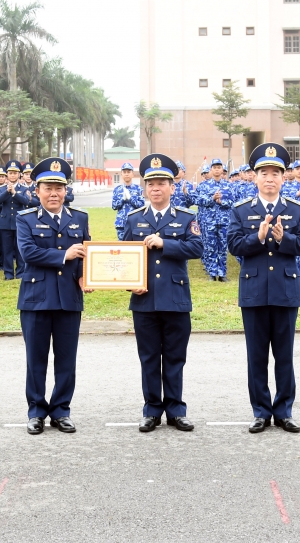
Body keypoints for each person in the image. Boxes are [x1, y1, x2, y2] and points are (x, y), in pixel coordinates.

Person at [226, 143, 300, 434]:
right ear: (255, 177)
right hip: (254, 293)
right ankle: (261, 411)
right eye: (264, 173)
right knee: (257, 356)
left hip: (285, 292)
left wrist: (284, 239)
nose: (270, 178)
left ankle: (284, 411)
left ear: (283, 178)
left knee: (284, 356)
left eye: (276, 173)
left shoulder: (296, 210)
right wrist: (258, 237)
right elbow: (234, 245)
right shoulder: (241, 211)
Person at [121, 153, 203, 432]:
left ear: (172, 186)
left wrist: (164, 243)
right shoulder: (133, 219)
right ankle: (152, 410)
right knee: (148, 357)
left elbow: (196, 248)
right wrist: (128, 281)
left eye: (161, 183)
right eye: (151, 184)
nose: (156, 188)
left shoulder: (186, 217)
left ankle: (176, 409)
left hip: (175, 298)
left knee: (175, 356)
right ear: (145, 188)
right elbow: (123, 257)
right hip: (144, 299)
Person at [15, 157, 91, 435]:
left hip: (69, 298)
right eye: (48, 188)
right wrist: (64, 255)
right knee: (36, 359)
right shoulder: (25, 219)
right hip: (36, 299)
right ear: (37, 191)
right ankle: (36, 412)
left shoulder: (79, 218)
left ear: (66, 191)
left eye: (59, 188)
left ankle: (61, 411)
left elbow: (86, 253)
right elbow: (28, 253)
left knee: (66, 359)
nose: (54, 193)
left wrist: (86, 274)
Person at [0, 160, 31, 280]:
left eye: (15, 173)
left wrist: (14, 193)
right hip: (5, 223)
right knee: (7, 250)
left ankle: (20, 273)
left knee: (19, 249)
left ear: (19, 174)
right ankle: (8, 273)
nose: (13, 175)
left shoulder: (24, 188)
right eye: (10, 173)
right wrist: (7, 192)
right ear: (7, 174)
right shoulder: (1, 188)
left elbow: (26, 202)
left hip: (19, 223)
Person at [111, 163, 145, 241]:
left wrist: (130, 199)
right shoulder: (117, 189)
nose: (127, 174)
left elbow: (141, 205)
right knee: (122, 247)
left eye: (129, 172)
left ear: (133, 174)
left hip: (135, 223)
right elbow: (114, 206)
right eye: (124, 172)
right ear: (121, 174)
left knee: (135, 246)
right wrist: (122, 199)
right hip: (121, 223)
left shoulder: (138, 189)